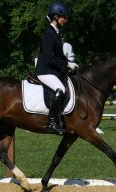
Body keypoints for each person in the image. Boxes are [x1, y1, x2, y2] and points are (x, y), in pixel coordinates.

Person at [35, 2, 78, 135]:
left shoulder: (56, 33)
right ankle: (52, 122)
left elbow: (59, 55)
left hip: (53, 70)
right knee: (60, 89)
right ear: (55, 17)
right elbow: (49, 58)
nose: (66, 19)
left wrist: (70, 64)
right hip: (44, 71)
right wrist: (66, 65)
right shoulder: (49, 33)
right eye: (63, 17)